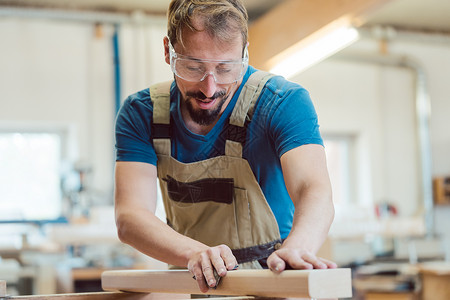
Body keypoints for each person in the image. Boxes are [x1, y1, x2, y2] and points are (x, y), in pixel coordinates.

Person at [114, 0, 336, 293]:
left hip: (272, 284)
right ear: (168, 51)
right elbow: (130, 216)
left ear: (245, 54)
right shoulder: (141, 113)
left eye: (225, 68)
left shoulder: (282, 102)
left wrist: (297, 248)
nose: (209, 87)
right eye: (193, 67)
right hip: (194, 286)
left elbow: (314, 188)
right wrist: (193, 253)